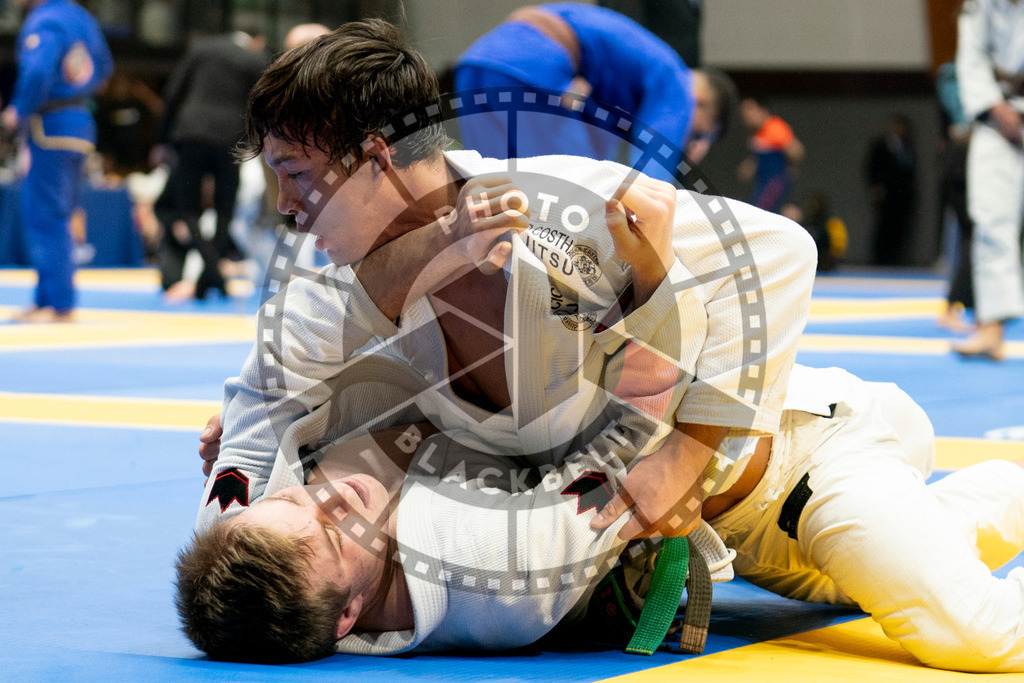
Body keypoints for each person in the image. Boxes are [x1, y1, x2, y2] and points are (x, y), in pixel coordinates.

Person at [195, 19, 818, 550]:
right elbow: (244, 483)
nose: (284, 204)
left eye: (296, 174)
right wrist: (287, 439)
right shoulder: (323, 277)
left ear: (374, 158)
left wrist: (686, 458)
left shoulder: (559, 205)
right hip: (600, 520)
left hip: (774, 481)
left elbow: (782, 251)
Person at [180, 362, 1024, 671]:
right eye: (330, 527)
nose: (333, 495)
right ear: (350, 618)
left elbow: (266, 426)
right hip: (773, 515)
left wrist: (245, 458)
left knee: (954, 622)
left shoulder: (299, 564)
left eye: (298, 495)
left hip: (806, 455)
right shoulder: (495, 570)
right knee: (964, 619)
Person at [452, 3, 736, 174]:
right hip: (532, 69)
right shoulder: (678, 84)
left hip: (476, 65)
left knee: (496, 197)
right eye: (698, 133)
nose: (690, 144)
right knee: (580, 194)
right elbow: (649, 176)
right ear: (701, 101)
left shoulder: (638, 78)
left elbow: (602, 148)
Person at [2, 0, 112, 323]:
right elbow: (104, 68)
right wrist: (78, 91)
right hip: (79, 123)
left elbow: (37, 70)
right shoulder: (82, 19)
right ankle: (47, 299)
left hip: (50, 126)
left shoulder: (45, 19)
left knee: (45, 216)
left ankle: (58, 304)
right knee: (61, 215)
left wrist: (18, 110)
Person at [155, 19, 270, 300]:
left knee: (187, 208)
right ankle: (213, 274)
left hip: (191, 134)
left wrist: (162, 139)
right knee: (224, 208)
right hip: (229, 140)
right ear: (258, 39)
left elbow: (173, 93)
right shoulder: (254, 57)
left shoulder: (201, 48)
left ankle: (210, 274)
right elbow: (261, 104)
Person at [953, 0, 1024, 360]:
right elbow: (971, 54)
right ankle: (991, 329)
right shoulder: (982, 3)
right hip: (998, 116)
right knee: (991, 219)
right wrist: (996, 108)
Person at [935, 61, 976, 333]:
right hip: (964, 164)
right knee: (973, 237)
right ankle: (953, 306)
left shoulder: (953, 78)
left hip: (962, 162)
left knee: (972, 237)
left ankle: (966, 305)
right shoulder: (958, 79)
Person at [736, 96, 804, 214]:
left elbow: (797, 151)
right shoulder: (756, 133)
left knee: (759, 214)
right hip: (762, 182)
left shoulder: (774, 127)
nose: (746, 115)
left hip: (774, 183)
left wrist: (789, 171)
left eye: (750, 110)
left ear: (763, 110)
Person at [865, 114, 917, 267]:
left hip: (903, 195)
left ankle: (896, 260)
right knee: (884, 227)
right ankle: (879, 260)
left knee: (900, 229)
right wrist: (875, 186)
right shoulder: (880, 145)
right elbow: (871, 167)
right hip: (886, 194)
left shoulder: (908, 146)